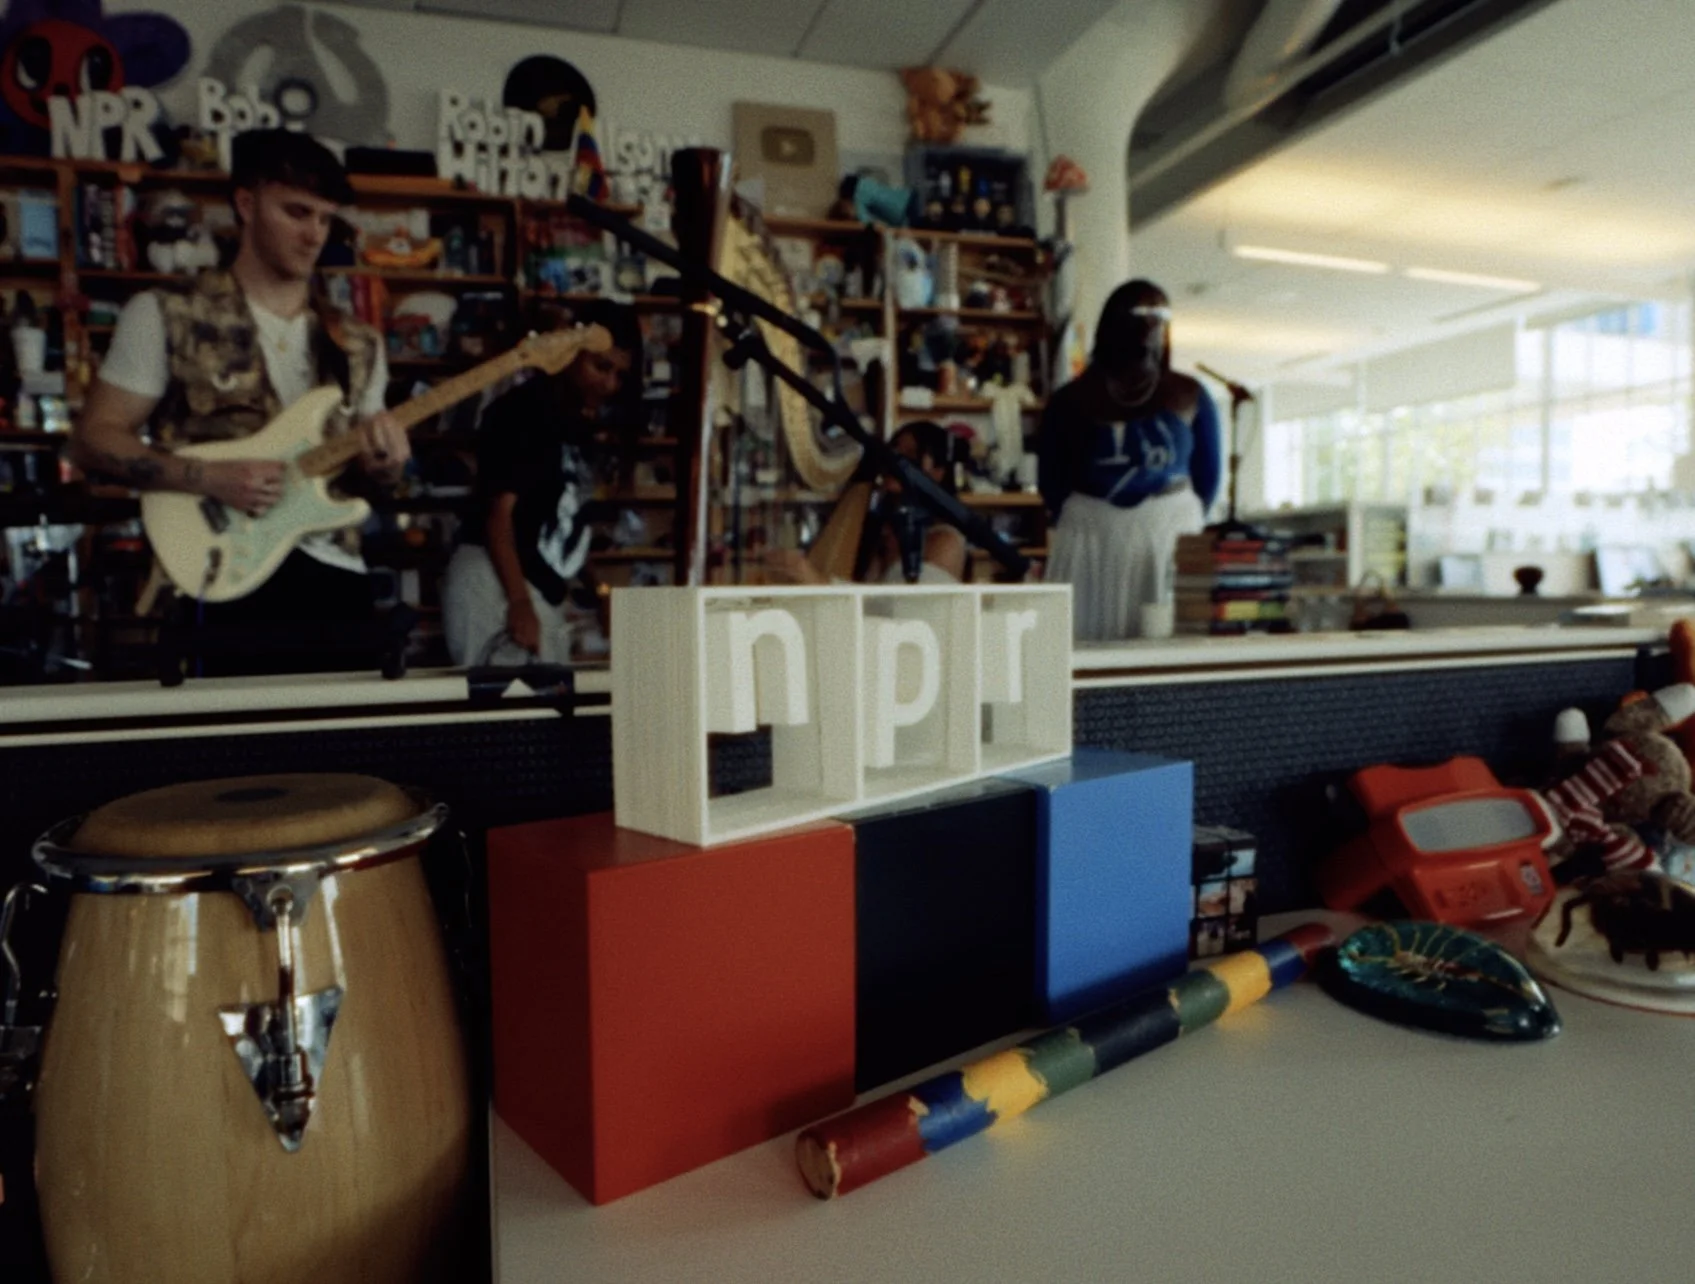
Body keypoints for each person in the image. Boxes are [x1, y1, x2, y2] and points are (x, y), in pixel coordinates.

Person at [72, 128, 409, 674]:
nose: (313, 235)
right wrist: (209, 479)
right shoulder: (165, 313)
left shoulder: (358, 341)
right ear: (246, 205)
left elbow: (372, 477)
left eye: (325, 219)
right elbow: (92, 439)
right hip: (216, 574)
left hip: (336, 580)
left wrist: (387, 465)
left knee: (339, 753)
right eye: (297, 213)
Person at [441, 299, 640, 665]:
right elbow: (497, 516)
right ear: (572, 353)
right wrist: (519, 602)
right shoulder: (523, 411)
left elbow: (562, 529)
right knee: (506, 717)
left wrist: (599, 591)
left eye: (620, 375)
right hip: (493, 583)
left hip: (530, 588)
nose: (610, 384)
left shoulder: (578, 425)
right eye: (602, 367)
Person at [1038, 279, 1220, 640]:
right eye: (1140, 313)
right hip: (1089, 538)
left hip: (1168, 535)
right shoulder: (1069, 400)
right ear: (1113, 321)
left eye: (1160, 313)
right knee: (1082, 645)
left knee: (1166, 647)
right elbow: (1051, 481)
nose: (1151, 323)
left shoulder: (1192, 394)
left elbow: (1209, 478)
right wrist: (1094, 517)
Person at [765, 420, 968, 585]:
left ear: (939, 473)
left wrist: (819, 581)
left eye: (910, 456)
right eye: (894, 451)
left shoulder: (945, 541)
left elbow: (903, 612)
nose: (895, 462)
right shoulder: (880, 527)